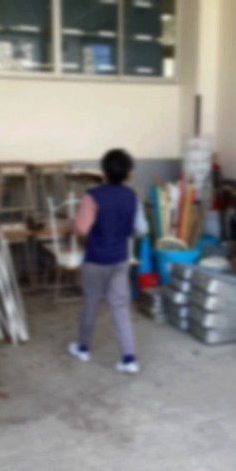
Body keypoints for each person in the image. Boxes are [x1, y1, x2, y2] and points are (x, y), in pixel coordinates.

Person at [69, 149, 148, 374]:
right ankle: (129, 359)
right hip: (120, 259)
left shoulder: (93, 195)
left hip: (96, 259)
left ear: (103, 171)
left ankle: (83, 348)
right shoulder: (132, 195)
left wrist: (71, 224)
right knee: (121, 308)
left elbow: (82, 228)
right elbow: (142, 229)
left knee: (91, 303)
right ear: (128, 173)